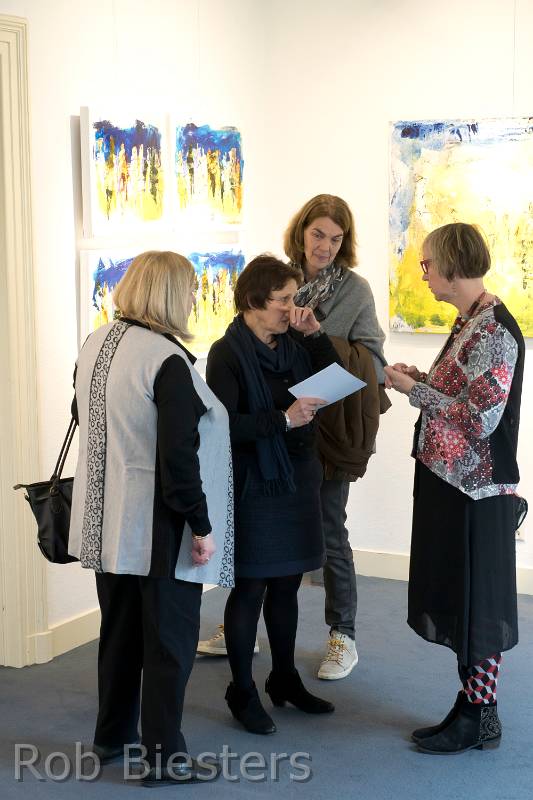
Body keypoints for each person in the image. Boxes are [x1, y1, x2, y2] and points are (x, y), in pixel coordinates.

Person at [198, 194, 388, 681]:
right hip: (275, 432)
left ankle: (342, 633)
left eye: (336, 238)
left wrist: (316, 336)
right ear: (301, 232)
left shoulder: (354, 291)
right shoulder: (279, 279)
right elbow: (242, 357)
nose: (325, 246)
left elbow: (372, 360)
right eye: (318, 234)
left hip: (329, 428)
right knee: (260, 541)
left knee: (330, 529)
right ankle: (241, 627)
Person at [68, 251, 233, 785]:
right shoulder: (166, 360)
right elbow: (179, 459)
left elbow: (82, 416)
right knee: (169, 644)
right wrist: (202, 527)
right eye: (190, 289)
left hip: (105, 520)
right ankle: (164, 758)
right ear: (168, 295)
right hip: (157, 527)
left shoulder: (96, 342)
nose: (195, 298)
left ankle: (112, 736)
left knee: (118, 633)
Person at [384, 223, 525, 755]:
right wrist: (421, 377)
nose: (424, 275)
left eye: (427, 264)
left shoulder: (494, 330)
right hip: (454, 484)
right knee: (465, 602)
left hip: (477, 491)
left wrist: (414, 390)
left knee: (480, 607)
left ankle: (478, 716)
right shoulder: (471, 322)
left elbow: (478, 419)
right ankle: (473, 709)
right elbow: (461, 394)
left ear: (451, 265)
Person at [205, 254, 338, 734]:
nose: (291, 307)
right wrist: (282, 419)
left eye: (293, 297)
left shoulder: (294, 343)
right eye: (282, 299)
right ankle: (241, 691)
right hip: (254, 483)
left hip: (297, 475)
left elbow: (332, 378)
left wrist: (316, 334)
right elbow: (221, 426)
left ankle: (284, 678)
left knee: (287, 584)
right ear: (253, 302)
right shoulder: (226, 353)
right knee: (251, 587)